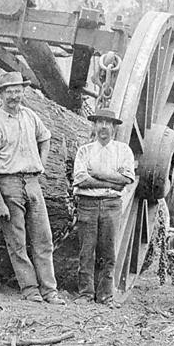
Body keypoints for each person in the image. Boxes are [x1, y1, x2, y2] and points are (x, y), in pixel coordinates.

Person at [0, 72, 66, 305]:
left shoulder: (30, 116)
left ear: (23, 92)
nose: (14, 96)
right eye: (9, 91)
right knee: (17, 241)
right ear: (0, 94)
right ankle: (30, 290)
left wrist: (41, 164)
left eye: (17, 90)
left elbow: (45, 138)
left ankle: (50, 291)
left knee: (43, 239)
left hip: (32, 183)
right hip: (9, 184)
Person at [72, 108, 135, 305]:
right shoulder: (85, 151)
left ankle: (106, 295)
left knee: (108, 252)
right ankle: (85, 294)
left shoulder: (123, 150)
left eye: (108, 123)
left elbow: (126, 178)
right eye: (100, 122)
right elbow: (81, 179)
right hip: (87, 204)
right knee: (86, 250)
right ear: (94, 125)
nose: (104, 127)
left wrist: (97, 174)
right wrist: (111, 182)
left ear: (114, 127)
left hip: (111, 205)